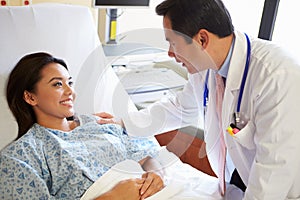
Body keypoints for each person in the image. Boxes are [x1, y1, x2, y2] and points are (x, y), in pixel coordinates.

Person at [99, 0, 300, 199]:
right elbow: (180, 108)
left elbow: (274, 170)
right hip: (239, 181)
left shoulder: (276, 75)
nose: (170, 53)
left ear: (202, 39)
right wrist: (125, 123)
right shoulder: (204, 68)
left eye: (173, 43)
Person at [0, 52, 164, 200]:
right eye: (57, 84)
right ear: (30, 97)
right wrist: (111, 198)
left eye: (70, 82)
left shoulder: (100, 123)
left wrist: (156, 175)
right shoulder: (22, 156)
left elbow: (146, 156)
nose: (70, 91)